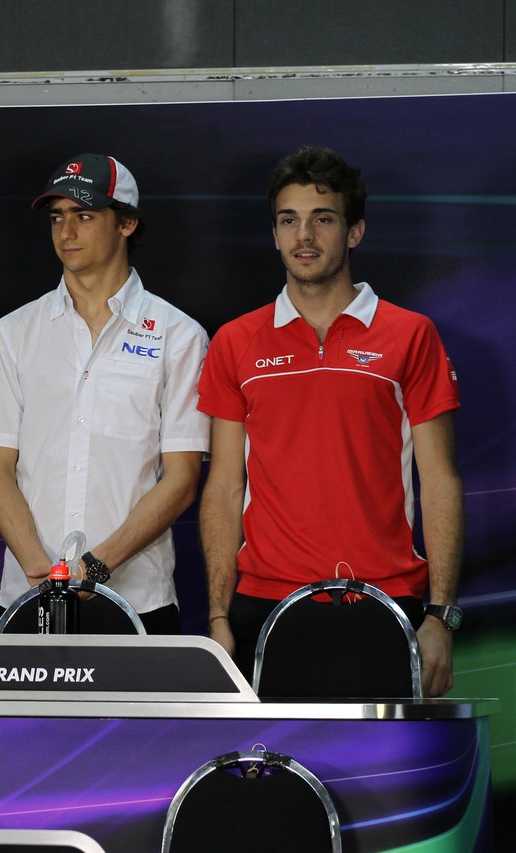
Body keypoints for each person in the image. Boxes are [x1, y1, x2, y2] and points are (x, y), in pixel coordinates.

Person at [198, 146, 464, 696]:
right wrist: (219, 618)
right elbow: (224, 486)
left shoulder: (411, 335)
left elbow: (438, 479)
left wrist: (440, 616)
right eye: (288, 221)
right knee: (270, 775)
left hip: (386, 603)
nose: (304, 236)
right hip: (264, 607)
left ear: (355, 232)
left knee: (385, 777)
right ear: (274, 235)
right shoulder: (234, 342)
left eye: (323, 219)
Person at [0, 153, 209, 632]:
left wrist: (96, 568)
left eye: (83, 215)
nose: (66, 232)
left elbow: (181, 478)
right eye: (57, 217)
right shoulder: (14, 331)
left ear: (127, 223)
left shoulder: (179, 335)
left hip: (137, 599)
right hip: (27, 595)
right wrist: (41, 571)